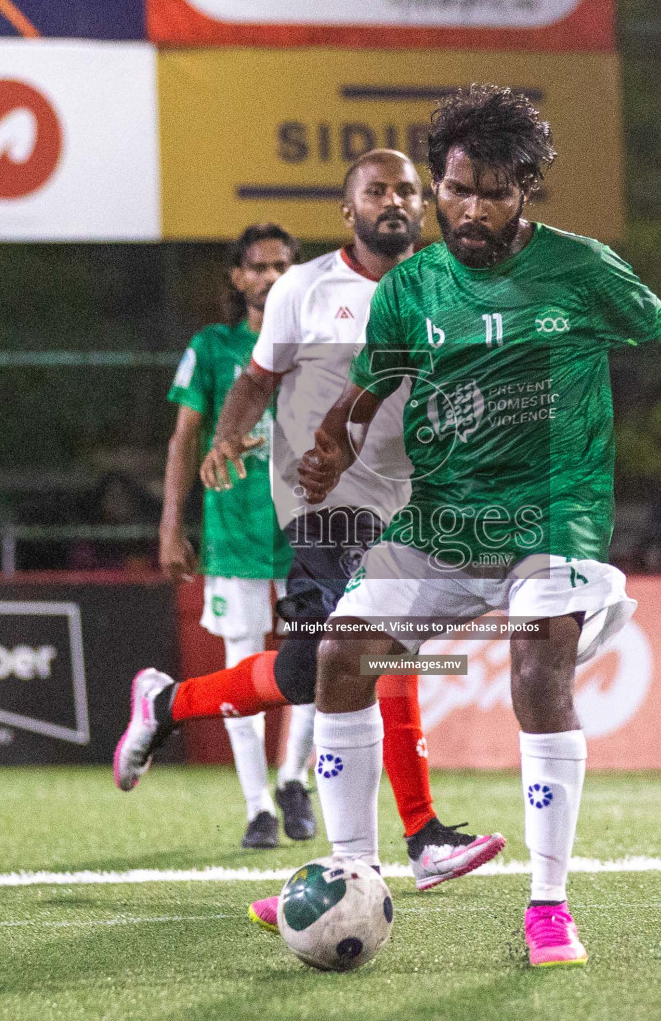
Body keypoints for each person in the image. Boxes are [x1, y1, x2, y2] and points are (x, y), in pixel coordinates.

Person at [296, 87, 661, 968]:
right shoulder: (411, 287)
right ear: (437, 185)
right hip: (440, 515)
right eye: (457, 190)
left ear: (528, 190)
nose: (472, 210)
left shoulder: (582, 269)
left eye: (495, 192)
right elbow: (372, 387)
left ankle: (549, 905)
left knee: (540, 668)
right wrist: (331, 442)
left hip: (555, 510)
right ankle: (352, 874)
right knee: (339, 656)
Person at [114, 149, 505, 918]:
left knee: (301, 676)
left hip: (410, 508)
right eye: (376, 190)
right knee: (380, 645)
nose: (393, 201)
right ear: (347, 209)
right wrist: (228, 437)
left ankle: (165, 706)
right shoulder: (305, 287)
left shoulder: (449, 293)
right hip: (325, 509)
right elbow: (257, 380)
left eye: (405, 191)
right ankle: (420, 836)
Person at [159, 222, 317, 849]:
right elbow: (184, 437)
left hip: (312, 532)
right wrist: (172, 523)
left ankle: (294, 780)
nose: (270, 277)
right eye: (257, 266)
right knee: (242, 668)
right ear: (237, 276)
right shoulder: (213, 346)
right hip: (235, 535)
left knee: (317, 663)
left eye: (282, 266)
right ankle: (257, 806)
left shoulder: (313, 345)